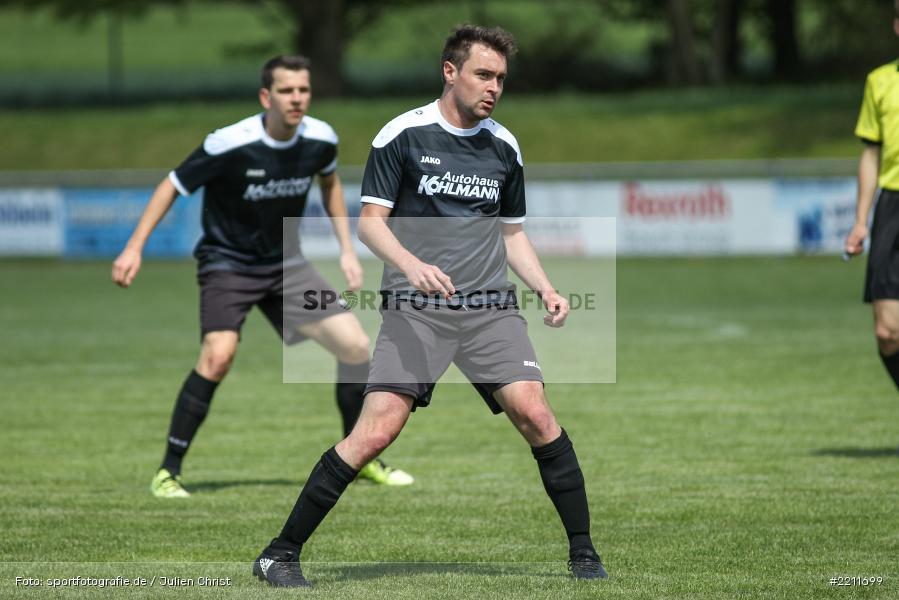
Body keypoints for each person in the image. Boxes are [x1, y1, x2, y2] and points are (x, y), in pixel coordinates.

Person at [251, 26, 608, 587]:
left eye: (500, 80)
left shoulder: (504, 145)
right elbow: (371, 225)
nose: (493, 88)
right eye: (483, 75)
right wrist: (412, 267)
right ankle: (280, 553)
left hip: (490, 309)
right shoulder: (403, 135)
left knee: (537, 416)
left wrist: (547, 287)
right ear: (450, 71)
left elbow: (512, 234)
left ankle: (585, 556)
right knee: (375, 434)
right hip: (416, 311)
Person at [111, 55, 413, 498]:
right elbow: (172, 185)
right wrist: (134, 246)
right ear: (265, 96)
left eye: (303, 90)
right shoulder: (228, 143)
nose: (297, 99)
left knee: (354, 346)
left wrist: (347, 249)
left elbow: (329, 184)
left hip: (286, 267)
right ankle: (168, 472)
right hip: (227, 263)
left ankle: (361, 456)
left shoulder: (320, 139)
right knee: (218, 356)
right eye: (287, 91)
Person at [845, 2, 899, 397]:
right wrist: (861, 220)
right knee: (887, 331)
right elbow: (870, 153)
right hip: (892, 207)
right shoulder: (879, 82)